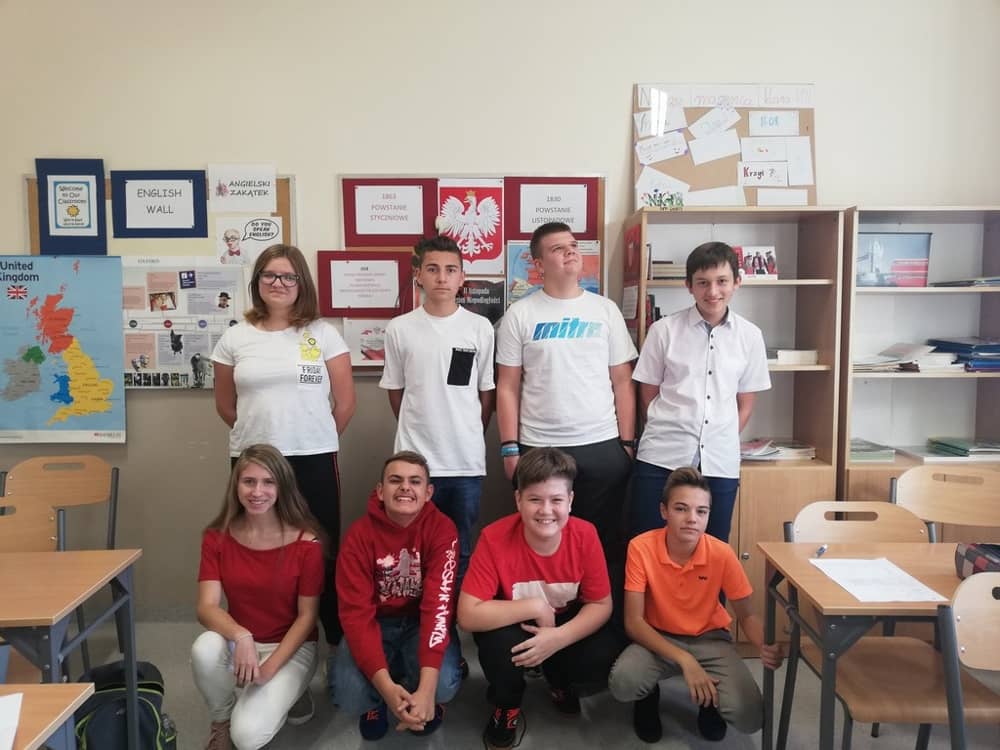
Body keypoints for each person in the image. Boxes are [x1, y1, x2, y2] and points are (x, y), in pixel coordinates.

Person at [211, 244, 356, 692]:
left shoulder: (323, 334)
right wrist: (262, 449)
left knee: (321, 554)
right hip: (255, 463)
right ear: (257, 282)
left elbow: (345, 403)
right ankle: (264, 646)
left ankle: (333, 648)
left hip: (313, 458)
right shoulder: (235, 338)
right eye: (270, 275)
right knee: (261, 555)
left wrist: (313, 435)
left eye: (288, 276)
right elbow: (226, 405)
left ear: (301, 283)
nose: (279, 283)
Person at [458, 448, 624, 750]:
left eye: (556, 500)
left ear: (570, 501)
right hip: (514, 624)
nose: (546, 510)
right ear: (518, 500)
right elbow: (468, 615)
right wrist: (536, 607)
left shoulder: (585, 535)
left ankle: (559, 680)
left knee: (605, 649)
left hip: (563, 623)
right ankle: (507, 704)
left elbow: (601, 604)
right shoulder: (494, 538)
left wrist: (558, 638)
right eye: (535, 499)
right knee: (499, 649)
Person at [609, 467, 783, 743]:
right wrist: (685, 660)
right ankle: (648, 697)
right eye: (681, 509)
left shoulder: (721, 553)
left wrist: (765, 644)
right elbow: (634, 622)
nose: (692, 519)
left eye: (701, 511)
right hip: (657, 637)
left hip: (709, 638)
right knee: (624, 683)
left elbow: (747, 615)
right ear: (664, 511)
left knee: (749, 717)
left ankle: (708, 700)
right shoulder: (641, 547)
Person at [495, 221, 636, 563]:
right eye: (558, 249)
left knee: (602, 545)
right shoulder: (520, 314)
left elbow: (622, 381)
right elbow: (507, 386)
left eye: (573, 246)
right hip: (539, 445)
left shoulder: (605, 310)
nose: (570, 252)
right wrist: (509, 448)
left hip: (601, 444)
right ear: (539, 264)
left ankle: (600, 601)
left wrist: (627, 443)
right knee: (543, 540)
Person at [379, 235, 495, 610]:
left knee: (459, 550)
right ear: (419, 275)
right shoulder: (400, 329)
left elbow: (486, 393)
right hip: (415, 464)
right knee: (412, 551)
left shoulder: (480, 328)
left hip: (464, 462)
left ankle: (450, 628)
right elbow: (396, 392)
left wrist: (468, 430)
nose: (442, 278)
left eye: (450, 270)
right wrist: (417, 432)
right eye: (433, 269)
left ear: (462, 277)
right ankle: (417, 624)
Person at [628, 241, 770, 543]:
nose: (713, 291)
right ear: (689, 285)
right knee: (648, 543)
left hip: (720, 459)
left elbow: (745, 403)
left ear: (737, 282)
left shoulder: (750, 336)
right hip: (662, 455)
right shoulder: (664, 330)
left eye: (722, 281)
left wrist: (718, 434)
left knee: (713, 546)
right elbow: (647, 394)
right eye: (703, 283)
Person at [192, 444, 326, 750]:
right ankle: (221, 719)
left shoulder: (307, 543)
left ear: (282, 488)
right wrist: (241, 635)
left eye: (268, 482)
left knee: (247, 737)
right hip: (242, 640)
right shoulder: (216, 537)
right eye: (249, 481)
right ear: (236, 486)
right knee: (204, 649)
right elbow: (206, 607)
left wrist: (270, 668)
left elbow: (307, 617)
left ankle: (293, 691)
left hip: (292, 647)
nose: (257, 492)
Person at [334, 451, 462, 740]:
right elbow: (356, 616)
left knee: (444, 684)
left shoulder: (443, 530)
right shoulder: (358, 536)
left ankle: (420, 692)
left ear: (428, 493)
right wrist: (387, 692)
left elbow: (438, 606)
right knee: (348, 695)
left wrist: (427, 690)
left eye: (415, 481)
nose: (405, 487)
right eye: (395, 480)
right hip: (376, 622)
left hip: (420, 621)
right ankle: (378, 700)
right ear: (380, 491)